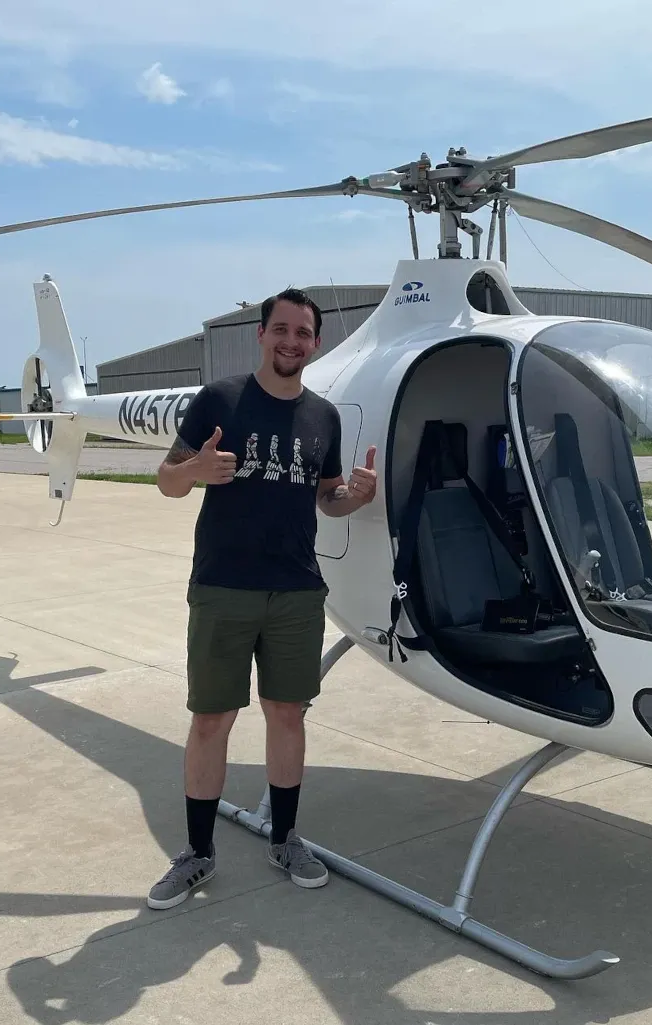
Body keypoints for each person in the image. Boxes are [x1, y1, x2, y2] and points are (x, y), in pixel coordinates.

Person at [146, 286, 377, 910]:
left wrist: (354, 497)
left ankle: (286, 838)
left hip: (297, 590)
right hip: (224, 587)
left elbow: (325, 495)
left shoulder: (323, 416)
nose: (291, 342)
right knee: (212, 719)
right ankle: (196, 854)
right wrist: (193, 471)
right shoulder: (220, 400)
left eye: (302, 334)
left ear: (315, 343)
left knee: (287, 715)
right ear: (262, 334)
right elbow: (167, 482)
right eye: (281, 330)